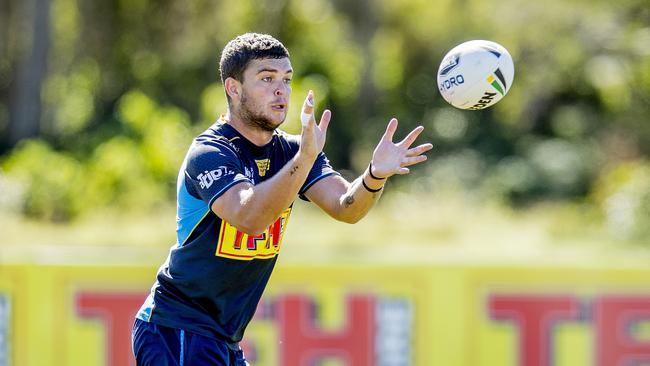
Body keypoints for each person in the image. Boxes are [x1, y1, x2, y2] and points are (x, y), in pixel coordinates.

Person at [131, 32, 433, 366]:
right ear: (234, 88)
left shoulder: (292, 150)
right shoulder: (210, 152)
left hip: (223, 337)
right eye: (266, 78)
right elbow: (249, 219)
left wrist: (374, 174)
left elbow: (346, 207)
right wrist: (303, 159)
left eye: (287, 79)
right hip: (177, 328)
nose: (281, 90)